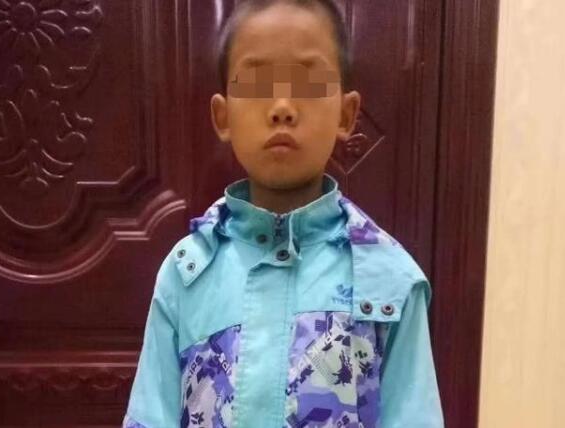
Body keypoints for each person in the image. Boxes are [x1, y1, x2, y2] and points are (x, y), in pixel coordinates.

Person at [123, 0, 444, 427]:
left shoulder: (389, 281)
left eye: (308, 83)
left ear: (346, 114)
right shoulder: (186, 277)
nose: (282, 107)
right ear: (223, 116)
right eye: (256, 84)